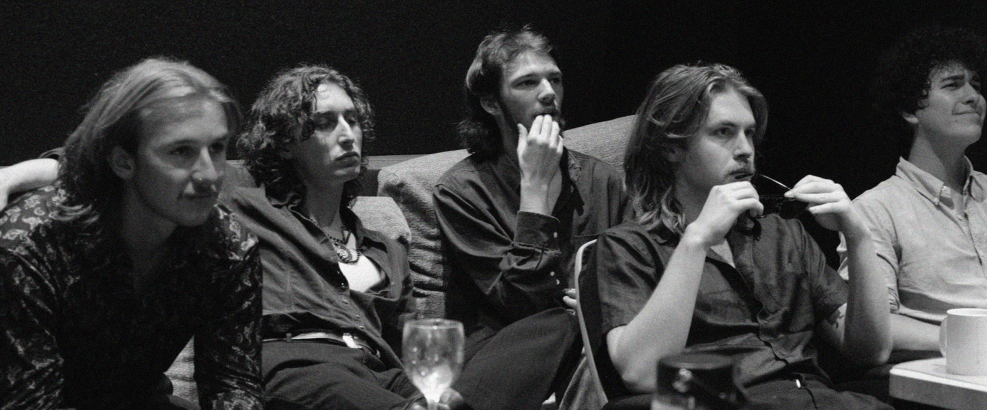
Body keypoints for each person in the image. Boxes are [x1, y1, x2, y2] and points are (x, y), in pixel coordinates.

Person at [588, 63, 892, 409]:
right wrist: (697, 239)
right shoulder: (628, 247)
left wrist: (858, 235)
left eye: (749, 133)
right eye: (723, 132)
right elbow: (642, 374)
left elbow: (871, 351)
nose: (746, 149)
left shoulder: (783, 234)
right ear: (672, 148)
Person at [0, 58, 264, 410]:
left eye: (216, 148)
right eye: (181, 151)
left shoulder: (229, 245)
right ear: (122, 161)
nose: (210, 175)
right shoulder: (30, 243)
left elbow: (234, 383)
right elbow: (29, 402)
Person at [433, 26, 629, 410]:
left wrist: (602, 302)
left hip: (597, 344)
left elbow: (635, 272)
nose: (549, 92)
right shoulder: (461, 191)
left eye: (555, 79)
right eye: (527, 83)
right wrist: (535, 190)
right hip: (507, 354)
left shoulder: (601, 180)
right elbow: (519, 306)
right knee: (560, 322)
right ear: (492, 104)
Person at [229, 65, 421, 410]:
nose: (348, 135)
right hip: (296, 363)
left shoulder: (388, 249)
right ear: (285, 144)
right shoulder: (247, 211)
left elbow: (412, 350)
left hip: (377, 372)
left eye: (353, 119)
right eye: (325, 123)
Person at [838, 25, 987, 356]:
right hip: (969, 369)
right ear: (910, 109)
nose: (973, 97)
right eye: (953, 85)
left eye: (976, 85)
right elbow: (875, 326)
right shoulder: (875, 210)